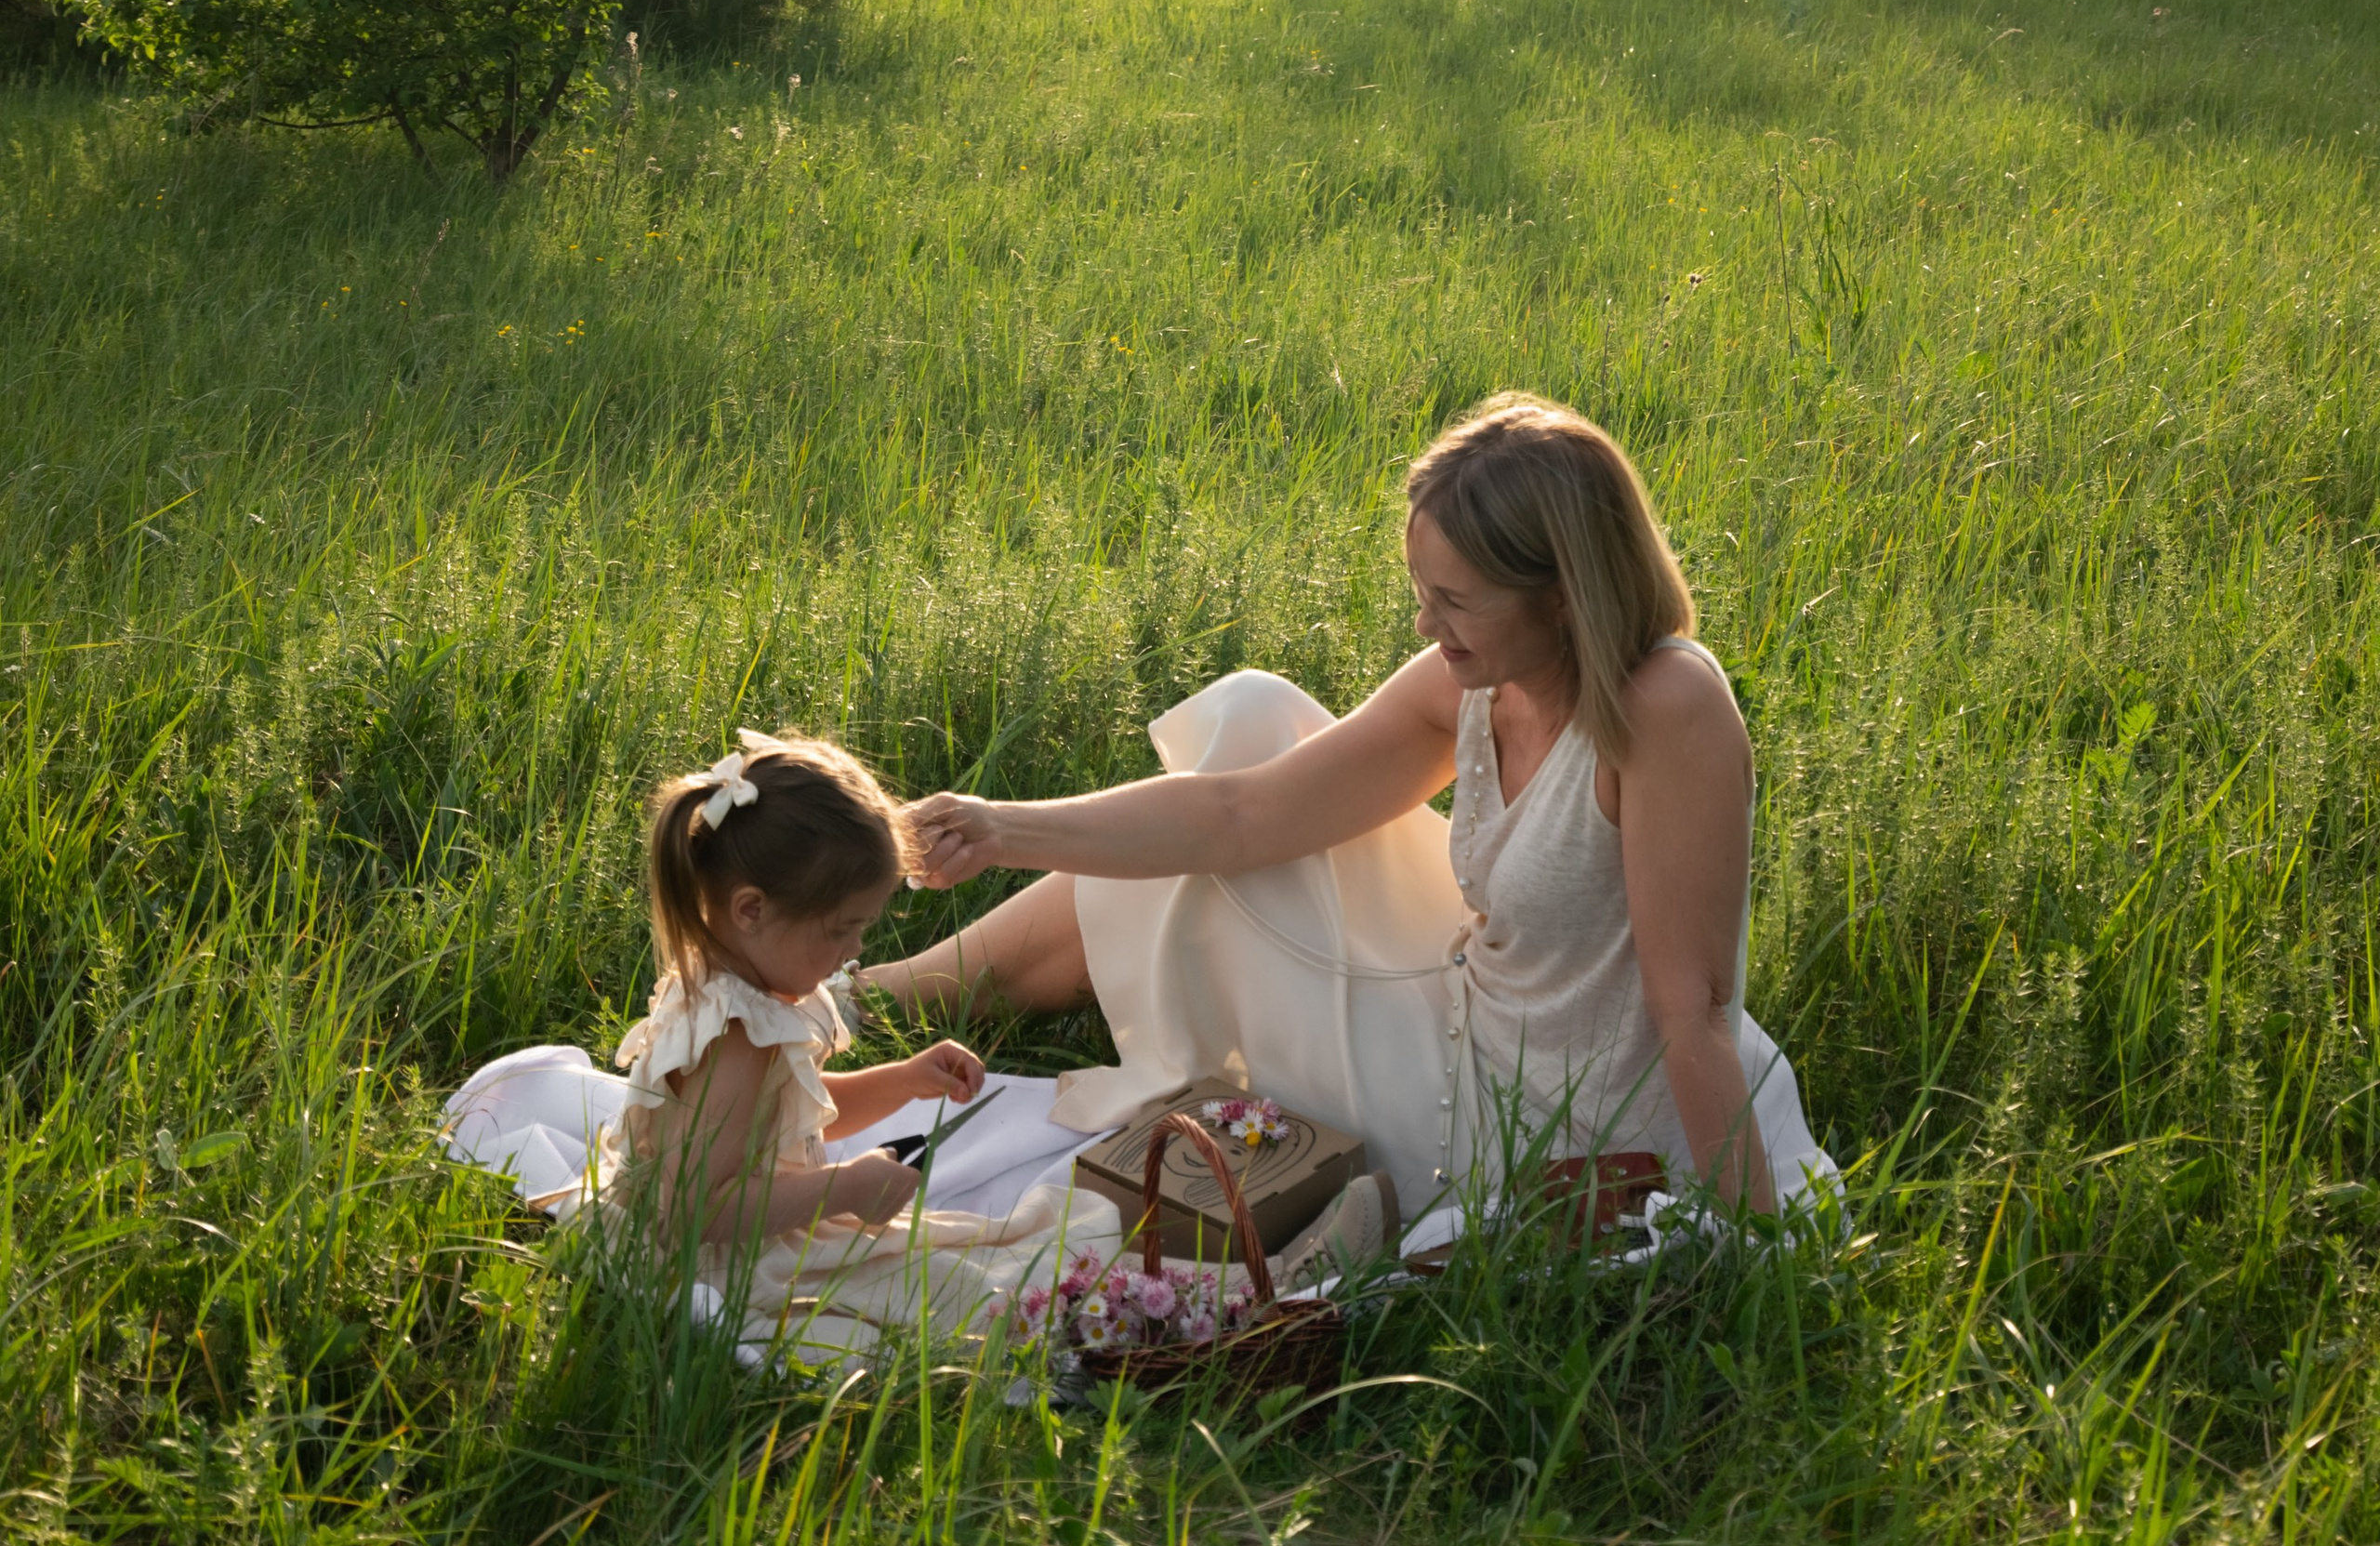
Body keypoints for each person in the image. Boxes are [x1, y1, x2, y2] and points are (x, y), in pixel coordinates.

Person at [866, 393, 1832, 1233]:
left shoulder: (1666, 708)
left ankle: (885, 1001)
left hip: (1537, 1125)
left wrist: (1754, 1240)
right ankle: (884, 997)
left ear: (1565, 595)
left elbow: (1691, 1005)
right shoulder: (1480, 681)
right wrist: (1001, 826)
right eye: (1421, 593)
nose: (1424, 624)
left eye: (1454, 600)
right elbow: (1243, 812)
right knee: (1250, 721)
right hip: (1468, 1010)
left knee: (1196, 879)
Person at [448, 733, 1127, 1359]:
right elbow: (698, 1210)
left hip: (743, 1234)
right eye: (840, 929)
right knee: (960, 1297)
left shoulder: (739, 991)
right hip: (724, 1258)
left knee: (959, 1262)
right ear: (752, 910)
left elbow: (781, 1118)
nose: (856, 950)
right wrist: (845, 1186)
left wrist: (902, 1080)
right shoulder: (738, 1035)